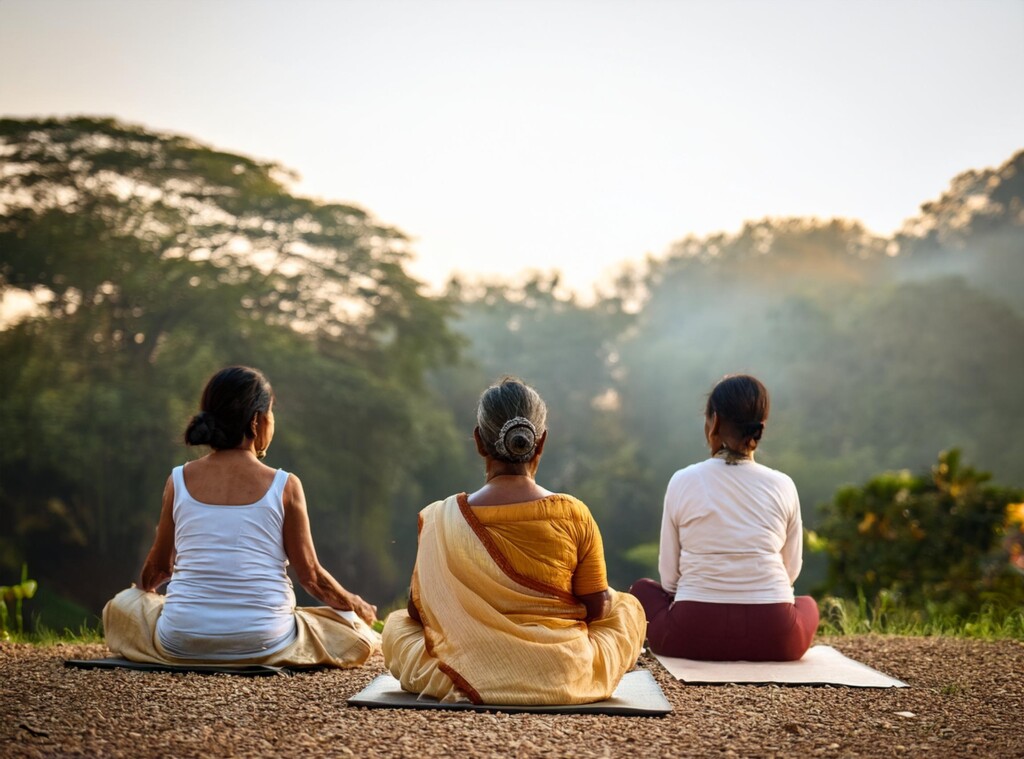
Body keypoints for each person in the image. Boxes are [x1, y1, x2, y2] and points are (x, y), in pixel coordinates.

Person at [381, 377, 646, 705]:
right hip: (561, 672)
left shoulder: (440, 517)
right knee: (626, 608)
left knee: (396, 627)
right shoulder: (574, 514)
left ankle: (483, 673)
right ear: (542, 442)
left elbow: (417, 614)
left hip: (460, 674)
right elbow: (595, 609)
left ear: (479, 441)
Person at [103, 366, 380, 667]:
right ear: (257, 421)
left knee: (121, 606)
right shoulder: (285, 485)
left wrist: (157, 601)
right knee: (350, 626)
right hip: (264, 641)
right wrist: (355, 604)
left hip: (180, 640)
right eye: (271, 414)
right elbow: (311, 578)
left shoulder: (178, 479)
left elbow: (156, 572)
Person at [629, 374, 818, 661]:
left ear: (714, 422)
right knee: (808, 605)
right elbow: (790, 571)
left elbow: (669, 580)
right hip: (778, 638)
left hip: (690, 636)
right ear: (760, 427)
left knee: (642, 590)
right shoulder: (783, 485)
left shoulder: (683, 480)